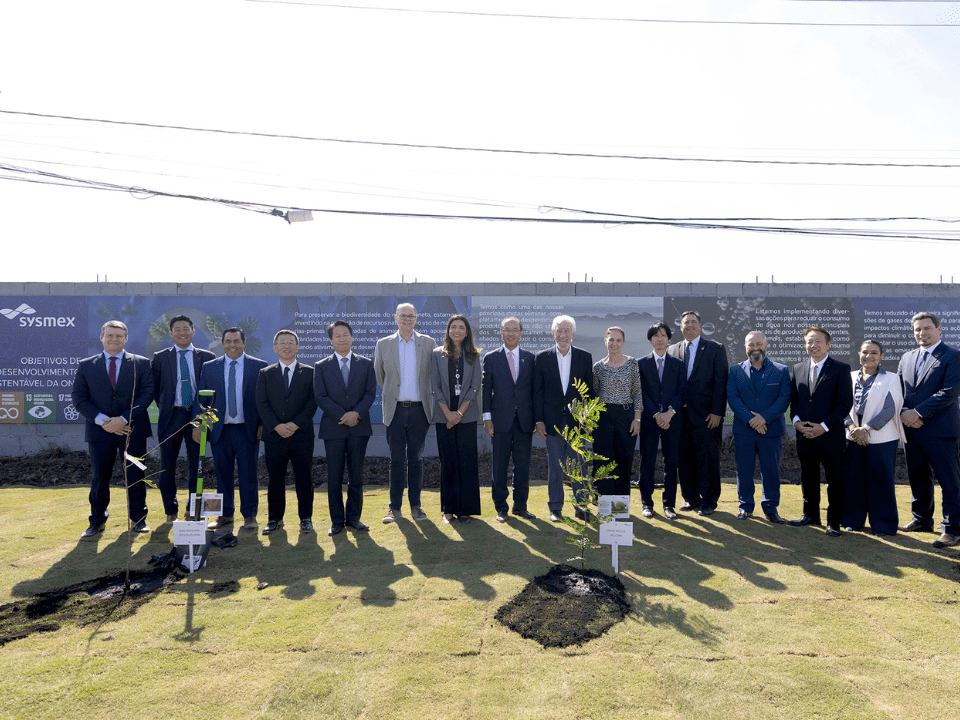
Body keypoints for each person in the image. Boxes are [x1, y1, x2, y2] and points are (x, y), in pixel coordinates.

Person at [71, 320, 154, 538]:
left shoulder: (141, 363)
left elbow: (146, 395)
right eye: (110, 335)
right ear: (101, 338)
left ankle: (138, 519)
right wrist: (104, 421)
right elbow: (79, 399)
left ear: (126, 339)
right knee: (100, 477)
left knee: (135, 474)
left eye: (119, 336)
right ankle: (97, 521)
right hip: (100, 432)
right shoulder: (86, 365)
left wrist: (123, 419)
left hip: (132, 431)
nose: (114, 339)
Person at [193, 327, 267, 531]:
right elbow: (201, 399)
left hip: (247, 430)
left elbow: (263, 400)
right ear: (222, 344)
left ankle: (250, 515)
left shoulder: (259, 367)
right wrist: (199, 425)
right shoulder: (210, 368)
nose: (232, 345)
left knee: (248, 474)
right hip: (220, 431)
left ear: (244, 343)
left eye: (236, 341)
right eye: (228, 342)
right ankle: (225, 515)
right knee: (222, 474)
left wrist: (263, 424)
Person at [898, 312, 960, 548]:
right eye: (917, 330)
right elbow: (901, 391)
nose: (922, 333)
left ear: (939, 329)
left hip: (941, 430)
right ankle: (922, 519)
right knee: (918, 477)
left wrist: (918, 413)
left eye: (926, 328)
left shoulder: (953, 356)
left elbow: (950, 392)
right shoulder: (907, 357)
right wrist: (905, 412)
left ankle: (953, 528)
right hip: (912, 430)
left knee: (949, 481)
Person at [374, 303, 436, 523]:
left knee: (416, 459)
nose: (407, 319)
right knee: (396, 460)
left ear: (416, 318)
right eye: (403, 316)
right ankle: (394, 508)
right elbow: (381, 377)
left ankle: (416, 507)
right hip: (395, 410)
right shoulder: (383, 344)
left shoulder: (428, 343)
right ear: (395, 318)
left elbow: (433, 375)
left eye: (411, 316)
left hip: (420, 410)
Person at [789, 326, 853, 537]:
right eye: (809, 342)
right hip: (805, 435)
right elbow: (795, 402)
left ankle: (833, 522)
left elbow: (844, 404)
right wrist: (797, 422)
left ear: (828, 344)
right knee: (808, 476)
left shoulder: (840, 368)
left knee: (835, 479)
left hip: (830, 435)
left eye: (818, 341)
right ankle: (810, 516)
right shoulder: (798, 368)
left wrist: (823, 427)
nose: (813, 345)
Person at [314, 320, 376, 536]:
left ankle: (354, 518)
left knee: (356, 477)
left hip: (359, 427)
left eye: (345, 334)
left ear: (352, 337)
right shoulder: (321, 366)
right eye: (337, 335)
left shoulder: (366, 363)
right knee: (334, 477)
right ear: (331, 340)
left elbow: (370, 393)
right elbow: (320, 396)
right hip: (334, 428)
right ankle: (336, 521)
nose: (342, 338)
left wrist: (356, 414)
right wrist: (343, 415)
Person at [151, 315, 215, 524]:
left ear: (193, 331)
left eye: (186, 328)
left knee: (196, 466)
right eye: (177, 329)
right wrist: (169, 407)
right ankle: (171, 511)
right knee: (166, 466)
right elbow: (156, 389)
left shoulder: (207, 357)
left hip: (198, 416)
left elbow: (211, 392)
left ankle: (193, 509)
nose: (182, 332)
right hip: (172, 416)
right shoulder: (160, 357)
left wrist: (203, 417)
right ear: (170, 333)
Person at [255, 330, 317, 535]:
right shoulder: (265, 373)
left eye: (291, 342)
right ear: (275, 347)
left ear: (297, 347)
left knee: (304, 478)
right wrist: (276, 426)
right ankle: (274, 519)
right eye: (282, 342)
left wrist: (295, 424)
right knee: (275, 478)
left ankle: (306, 518)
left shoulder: (309, 372)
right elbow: (261, 404)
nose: (287, 346)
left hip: (301, 435)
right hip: (274, 436)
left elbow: (312, 403)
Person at [534, 315, 595, 522]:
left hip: (577, 423)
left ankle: (581, 506)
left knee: (578, 466)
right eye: (559, 330)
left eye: (567, 330)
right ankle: (555, 507)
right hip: (552, 423)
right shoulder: (542, 357)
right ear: (553, 333)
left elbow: (589, 392)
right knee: (556, 466)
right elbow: (538, 393)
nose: (563, 334)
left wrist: (588, 419)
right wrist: (539, 421)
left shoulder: (584, 357)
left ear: (573, 333)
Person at [667, 310, 728, 516]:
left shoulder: (715, 348)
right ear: (680, 327)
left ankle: (709, 501)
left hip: (706, 416)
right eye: (686, 323)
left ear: (700, 326)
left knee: (708, 459)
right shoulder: (673, 349)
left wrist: (718, 412)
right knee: (684, 459)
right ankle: (690, 498)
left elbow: (721, 382)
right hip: (679, 417)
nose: (690, 326)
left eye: (693, 322)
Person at [726, 331, 791, 523]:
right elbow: (733, 398)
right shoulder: (735, 370)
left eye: (758, 344)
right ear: (745, 347)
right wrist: (750, 419)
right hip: (744, 430)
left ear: (766, 345)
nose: (755, 348)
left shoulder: (781, 370)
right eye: (751, 345)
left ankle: (770, 508)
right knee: (744, 470)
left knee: (771, 470)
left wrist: (764, 418)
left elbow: (784, 399)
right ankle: (745, 506)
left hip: (770, 430)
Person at [843, 339, 904, 536]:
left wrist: (866, 429)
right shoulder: (849, 376)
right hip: (852, 436)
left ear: (882, 356)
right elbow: (841, 404)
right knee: (853, 480)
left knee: (881, 481)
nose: (868, 356)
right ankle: (853, 520)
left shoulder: (891, 378)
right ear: (859, 354)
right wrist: (853, 427)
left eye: (874, 353)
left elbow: (890, 409)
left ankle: (884, 525)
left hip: (881, 437)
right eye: (865, 352)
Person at [482, 316, 537, 522]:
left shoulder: (530, 358)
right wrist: (487, 417)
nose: (511, 333)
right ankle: (501, 507)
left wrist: (536, 419)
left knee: (523, 465)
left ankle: (520, 506)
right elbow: (486, 389)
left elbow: (534, 391)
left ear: (521, 333)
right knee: (500, 465)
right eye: (507, 329)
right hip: (499, 420)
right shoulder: (491, 357)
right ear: (501, 332)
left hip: (524, 421)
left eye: (515, 329)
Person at [431, 314, 483, 524]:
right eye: (453, 327)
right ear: (448, 330)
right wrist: (448, 414)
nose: (457, 330)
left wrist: (459, 413)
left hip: (467, 414)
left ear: (467, 331)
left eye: (461, 327)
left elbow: (475, 387)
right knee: (449, 462)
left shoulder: (474, 354)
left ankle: (465, 510)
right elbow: (435, 386)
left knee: (467, 461)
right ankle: (448, 510)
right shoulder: (437, 354)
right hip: (444, 414)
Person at [637, 321, 686, 519]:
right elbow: (640, 392)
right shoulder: (641, 363)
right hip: (650, 421)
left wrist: (669, 413)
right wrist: (656, 415)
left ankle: (669, 505)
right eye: (656, 335)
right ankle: (646, 504)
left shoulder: (678, 364)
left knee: (671, 463)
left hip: (672, 421)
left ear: (668, 339)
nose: (660, 339)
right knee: (647, 462)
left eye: (663, 335)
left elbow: (682, 391)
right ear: (650, 339)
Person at [592, 326, 641, 495]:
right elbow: (594, 396)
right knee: (603, 460)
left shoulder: (632, 363)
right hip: (603, 418)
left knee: (623, 460)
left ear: (623, 343)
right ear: (605, 341)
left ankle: (620, 505)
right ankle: (604, 503)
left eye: (618, 340)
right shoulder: (597, 367)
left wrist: (637, 419)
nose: (614, 343)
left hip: (626, 417)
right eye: (611, 339)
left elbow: (637, 392)